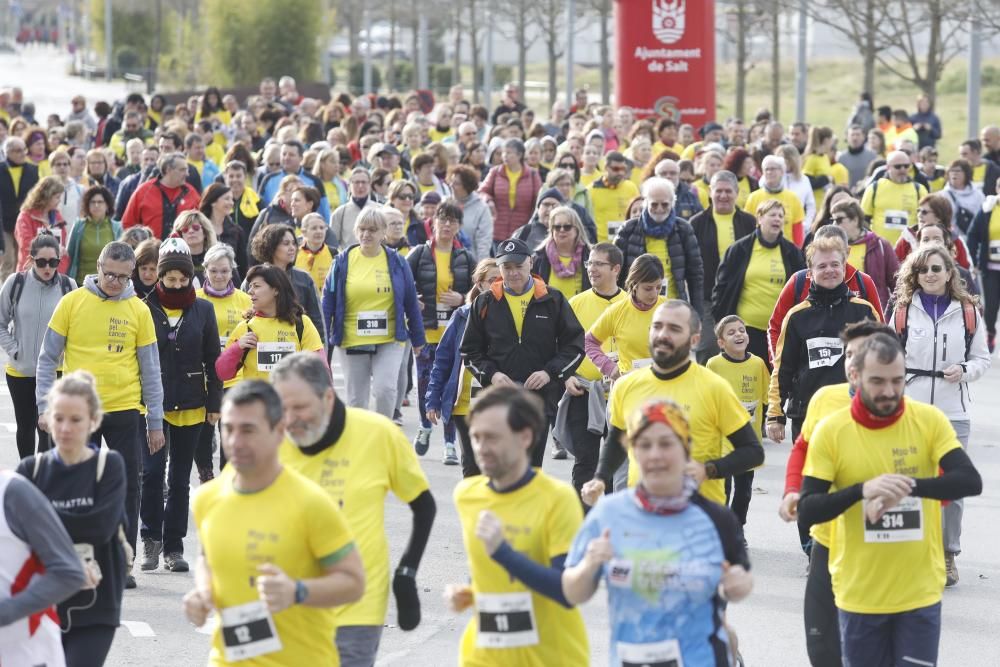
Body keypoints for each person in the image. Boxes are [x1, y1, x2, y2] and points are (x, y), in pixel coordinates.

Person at [798, 333, 982, 667]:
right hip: (860, 594)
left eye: (898, 381)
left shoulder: (928, 420)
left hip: (919, 592)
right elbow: (807, 510)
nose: (889, 392)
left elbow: (969, 481)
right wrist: (860, 491)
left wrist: (909, 486)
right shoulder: (832, 430)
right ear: (855, 376)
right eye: (877, 381)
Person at [183, 380, 365, 666]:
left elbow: (354, 583)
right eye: (229, 429)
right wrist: (204, 592)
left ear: (279, 431)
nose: (235, 441)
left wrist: (297, 591)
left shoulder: (311, 503)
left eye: (248, 430)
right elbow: (207, 557)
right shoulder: (207, 498)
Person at [563, 398, 753, 667]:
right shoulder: (608, 515)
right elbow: (572, 593)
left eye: (666, 444)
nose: (655, 455)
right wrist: (589, 565)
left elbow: (741, 583)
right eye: (644, 445)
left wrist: (737, 585)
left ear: (686, 449)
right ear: (633, 453)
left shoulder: (716, 518)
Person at [273, 353, 436, 665]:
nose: (290, 418)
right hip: (288, 605)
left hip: (357, 605)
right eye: (282, 408)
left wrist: (407, 574)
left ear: (328, 397)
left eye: (301, 407)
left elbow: (423, 505)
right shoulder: (273, 442)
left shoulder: (378, 433)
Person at [35, 241, 164, 587]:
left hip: (125, 409)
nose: (114, 282)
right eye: (108, 274)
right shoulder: (72, 302)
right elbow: (48, 359)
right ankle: (76, 558)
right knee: (75, 484)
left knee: (127, 486)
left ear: (131, 274)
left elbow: (151, 369)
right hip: (79, 411)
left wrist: (155, 421)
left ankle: (124, 561)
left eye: (122, 277)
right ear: (99, 266)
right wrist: (45, 407)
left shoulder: (139, 310)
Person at [446, 386, 590, 666]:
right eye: (476, 437)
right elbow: (485, 567)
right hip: (483, 654)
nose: (481, 448)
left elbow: (566, 592)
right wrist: (469, 592)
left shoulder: (557, 499)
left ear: (525, 437)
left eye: (493, 438)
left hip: (550, 657)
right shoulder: (467, 495)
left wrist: (504, 553)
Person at [779, 320, 895, 666]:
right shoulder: (825, 398)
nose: (854, 362)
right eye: (849, 354)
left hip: (881, 545)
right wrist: (791, 491)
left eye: (865, 353)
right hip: (828, 539)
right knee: (822, 649)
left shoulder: (911, 414)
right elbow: (802, 448)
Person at [583, 300, 764, 511]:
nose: (662, 335)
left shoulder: (715, 388)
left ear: (694, 340)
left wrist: (709, 470)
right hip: (644, 517)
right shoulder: (626, 386)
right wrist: (600, 478)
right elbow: (617, 440)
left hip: (699, 519)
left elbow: (753, 451)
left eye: (674, 329)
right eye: (657, 326)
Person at [889, 246, 991, 585]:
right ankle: (911, 551)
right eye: (923, 270)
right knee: (907, 481)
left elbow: (982, 360)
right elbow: (888, 353)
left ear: (950, 273)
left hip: (953, 411)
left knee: (953, 487)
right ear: (914, 276)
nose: (930, 274)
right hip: (911, 409)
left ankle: (948, 555)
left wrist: (963, 370)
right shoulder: (903, 310)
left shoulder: (968, 312)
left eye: (936, 268)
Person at [18, 371, 127, 667]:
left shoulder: (109, 466)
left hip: (97, 601)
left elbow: (100, 527)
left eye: (76, 420)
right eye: (59, 418)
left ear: (93, 421)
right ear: (48, 419)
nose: (65, 428)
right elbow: (14, 532)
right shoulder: (31, 471)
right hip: (41, 600)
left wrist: (38, 518)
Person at [460, 237, 585, 467]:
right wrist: (493, 375)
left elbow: (575, 347)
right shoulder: (485, 302)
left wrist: (549, 373)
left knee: (531, 466)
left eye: (518, 266)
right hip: (499, 397)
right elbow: (469, 352)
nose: (513, 272)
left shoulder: (552, 299)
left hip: (539, 398)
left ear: (531, 263)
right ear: (499, 268)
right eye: (507, 267)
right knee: (500, 464)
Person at [139, 238, 222, 574]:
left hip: (191, 404)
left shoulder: (203, 309)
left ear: (190, 277)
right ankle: (150, 541)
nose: (175, 285)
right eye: (169, 279)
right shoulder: (143, 306)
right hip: (152, 408)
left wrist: (214, 403)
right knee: (152, 474)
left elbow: (213, 358)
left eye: (182, 279)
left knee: (178, 479)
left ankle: (174, 546)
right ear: (159, 277)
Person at [766, 236, 881, 442]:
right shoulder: (796, 316)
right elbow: (782, 369)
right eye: (822, 266)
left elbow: (883, 362)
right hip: (808, 415)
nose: (829, 270)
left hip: (854, 414)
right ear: (810, 273)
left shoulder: (865, 311)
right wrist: (775, 414)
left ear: (844, 268)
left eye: (835, 264)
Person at [324, 208, 425, 417]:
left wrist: (418, 340)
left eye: (372, 230)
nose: (366, 234)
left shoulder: (397, 261)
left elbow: (410, 302)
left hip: (389, 338)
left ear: (383, 233)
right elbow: (328, 303)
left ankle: (384, 432)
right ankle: (361, 442)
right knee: (356, 400)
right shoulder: (341, 262)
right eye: (362, 229)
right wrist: (323, 344)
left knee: (385, 389)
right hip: (352, 339)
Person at [406, 201, 475, 462]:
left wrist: (462, 298)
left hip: (455, 332)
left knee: (450, 385)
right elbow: (402, 284)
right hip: (426, 332)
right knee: (425, 383)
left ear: (458, 226)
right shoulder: (419, 253)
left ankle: (449, 443)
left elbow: (478, 289)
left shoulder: (465, 257)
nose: (447, 225)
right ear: (433, 222)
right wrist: (415, 300)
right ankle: (425, 425)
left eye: (453, 221)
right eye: (443, 219)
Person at [0, 233, 76, 460]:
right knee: (25, 428)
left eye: (53, 262)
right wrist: (15, 349)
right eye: (41, 262)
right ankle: (26, 477)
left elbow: (77, 326)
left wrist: (67, 349)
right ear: (31, 259)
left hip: (56, 373)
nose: (47, 267)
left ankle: (43, 479)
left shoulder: (68, 286)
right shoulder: (16, 283)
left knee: (48, 430)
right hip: (21, 371)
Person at [425, 259, 500, 478]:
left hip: (497, 401)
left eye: (501, 280)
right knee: (472, 463)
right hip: (465, 403)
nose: (497, 284)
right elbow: (444, 359)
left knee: (494, 463)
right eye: (492, 280)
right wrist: (433, 398)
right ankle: (473, 510)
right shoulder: (462, 315)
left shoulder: (511, 315)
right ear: (480, 283)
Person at [768, 225, 885, 359]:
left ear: (847, 252)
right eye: (822, 249)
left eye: (835, 249)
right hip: (806, 373)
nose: (828, 267)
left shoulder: (863, 282)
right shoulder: (798, 281)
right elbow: (776, 327)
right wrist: (778, 364)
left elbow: (879, 331)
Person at [712, 199, 806, 364]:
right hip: (746, 331)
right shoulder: (739, 249)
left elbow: (803, 290)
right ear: (760, 218)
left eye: (780, 216)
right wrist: (721, 323)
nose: (777, 219)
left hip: (780, 331)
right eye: (772, 215)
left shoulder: (792, 252)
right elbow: (721, 289)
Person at [707, 315, 769, 533]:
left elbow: (766, 396)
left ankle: (737, 527)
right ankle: (721, 530)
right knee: (722, 489)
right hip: (721, 440)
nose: (739, 335)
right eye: (731, 332)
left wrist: (772, 419)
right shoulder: (714, 364)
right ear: (721, 343)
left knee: (744, 491)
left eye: (742, 330)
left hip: (748, 440)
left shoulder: (758, 364)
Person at [216, 264, 325, 383]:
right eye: (250, 286)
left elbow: (320, 370)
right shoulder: (246, 328)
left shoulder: (301, 323)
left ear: (276, 290)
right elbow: (222, 373)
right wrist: (237, 348)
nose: (250, 291)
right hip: (258, 400)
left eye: (256, 286)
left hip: (292, 399)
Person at [690, 170, 757, 362]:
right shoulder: (696, 223)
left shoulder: (749, 222)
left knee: (742, 348)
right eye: (718, 191)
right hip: (707, 298)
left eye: (728, 191)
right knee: (708, 348)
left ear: (736, 193)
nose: (723, 196)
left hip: (742, 297)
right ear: (710, 192)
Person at [613, 177, 704, 311]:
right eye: (654, 204)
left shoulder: (684, 229)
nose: (660, 209)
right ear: (646, 203)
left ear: (673, 203)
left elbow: (695, 275)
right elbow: (615, 272)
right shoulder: (628, 229)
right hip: (635, 306)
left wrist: (697, 314)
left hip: (673, 305)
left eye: (665, 204)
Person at [585, 254, 666, 382]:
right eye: (648, 288)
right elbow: (589, 342)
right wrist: (609, 368)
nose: (654, 294)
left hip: (663, 386)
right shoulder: (617, 311)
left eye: (658, 287)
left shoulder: (669, 308)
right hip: (628, 387)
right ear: (634, 284)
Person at [248, 224, 324, 340]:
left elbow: (317, 320)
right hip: (261, 346)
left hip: (299, 349)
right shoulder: (254, 278)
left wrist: (321, 352)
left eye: (294, 243)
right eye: (286, 243)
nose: (292, 248)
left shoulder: (304, 279)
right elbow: (246, 316)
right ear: (271, 246)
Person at [828, 199, 898, 307]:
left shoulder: (880, 245)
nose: (834, 224)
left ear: (855, 220)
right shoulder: (830, 248)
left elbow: (897, 284)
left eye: (839, 220)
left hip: (873, 313)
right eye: (833, 220)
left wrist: (890, 313)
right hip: (839, 312)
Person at [121, 152, 201, 240]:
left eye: (186, 170)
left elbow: (202, 224)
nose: (187, 174)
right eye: (182, 170)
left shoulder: (192, 193)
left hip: (183, 251)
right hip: (151, 251)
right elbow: (127, 224)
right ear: (168, 170)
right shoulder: (144, 191)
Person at [478, 138, 543, 244]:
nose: (504, 156)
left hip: (522, 232)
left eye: (509, 153)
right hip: (497, 231)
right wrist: (488, 201)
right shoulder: (495, 172)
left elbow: (539, 200)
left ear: (520, 155)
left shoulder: (532, 174)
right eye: (503, 152)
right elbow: (482, 192)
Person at [860, 150, 928, 246]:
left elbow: (928, 219)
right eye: (898, 166)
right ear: (888, 167)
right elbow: (863, 219)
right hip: (880, 248)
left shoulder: (919, 189)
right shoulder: (875, 188)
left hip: (910, 249)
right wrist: (872, 240)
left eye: (906, 166)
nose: (902, 169)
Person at [0, 137, 41, 281]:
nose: (23, 153)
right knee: (8, 260)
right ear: (7, 152)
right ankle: (5, 294)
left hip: (24, 222)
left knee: (24, 258)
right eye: (18, 151)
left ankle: (20, 289)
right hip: (4, 222)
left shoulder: (33, 170)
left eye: (24, 149)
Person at [530, 205, 592, 298]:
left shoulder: (589, 256)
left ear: (577, 229)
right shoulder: (539, 258)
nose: (562, 230)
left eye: (567, 227)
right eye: (557, 227)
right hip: (549, 311)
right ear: (551, 230)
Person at [744, 155, 807, 246]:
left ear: (782, 171)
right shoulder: (753, 197)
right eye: (766, 169)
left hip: (787, 250)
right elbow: (747, 227)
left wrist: (798, 252)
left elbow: (797, 230)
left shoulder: (793, 198)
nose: (769, 172)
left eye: (773, 169)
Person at [66, 185, 120, 286]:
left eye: (100, 202)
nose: (96, 205)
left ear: (107, 205)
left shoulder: (116, 228)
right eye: (92, 202)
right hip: (81, 284)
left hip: (108, 285)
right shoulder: (78, 226)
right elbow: (69, 255)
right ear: (87, 205)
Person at [15, 175, 68, 274]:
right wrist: (51, 252)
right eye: (57, 197)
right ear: (46, 196)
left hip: (54, 273)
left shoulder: (57, 216)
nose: (60, 201)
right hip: (30, 273)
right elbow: (26, 245)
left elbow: (63, 244)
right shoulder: (25, 217)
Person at [968, 192, 1000, 352]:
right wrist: (972, 259)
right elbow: (972, 234)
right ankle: (991, 333)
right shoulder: (988, 208)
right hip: (992, 268)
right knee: (992, 305)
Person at [587, 151, 640, 242]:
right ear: (606, 168)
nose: (620, 173)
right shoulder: (591, 190)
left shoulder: (631, 187)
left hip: (626, 241)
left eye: (623, 169)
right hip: (601, 243)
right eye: (616, 169)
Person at [199, 183, 248, 279]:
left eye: (231, 199)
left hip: (231, 285)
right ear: (213, 202)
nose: (231, 203)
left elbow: (242, 266)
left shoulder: (237, 231)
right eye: (226, 199)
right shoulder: (199, 228)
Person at [447, 164, 493, 262]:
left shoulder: (482, 208)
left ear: (467, 186)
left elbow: (483, 242)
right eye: (451, 182)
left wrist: (481, 269)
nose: (451, 185)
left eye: (457, 183)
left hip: (469, 264)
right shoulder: (445, 203)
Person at [330, 167, 378, 248]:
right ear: (349, 185)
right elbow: (332, 244)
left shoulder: (380, 210)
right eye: (356, 182)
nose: (360, 186)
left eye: (363, 182)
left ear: (370, 184)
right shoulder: (340, 213)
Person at [294, 212, 338, 296]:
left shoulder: (334, 254)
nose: (319, 231)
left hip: (326, 306)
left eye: (322, 228)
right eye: (314, 228)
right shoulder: (294, 254)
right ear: (304, 232)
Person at [171, 210, 217, 284]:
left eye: (196, 227)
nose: (191, 231)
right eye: (185, 229)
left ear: (205, 232)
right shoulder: (172, 262)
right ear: (180, 235)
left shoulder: (217, 260)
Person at [837, 125, 878, 193]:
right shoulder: (841, 158)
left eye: (858, 135)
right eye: (852, 135)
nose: (855, 138)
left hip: (867, 194)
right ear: (847, 137)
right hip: (848, 196)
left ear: (863, 137)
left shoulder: (872, 156)